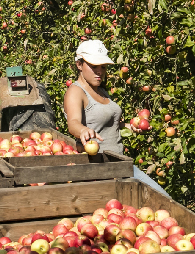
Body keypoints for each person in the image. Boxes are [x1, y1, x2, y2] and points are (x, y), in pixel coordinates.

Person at [62, 39, 168, 196]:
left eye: (103, 67)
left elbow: (106, 123)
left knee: (163, 199)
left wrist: (128, 126)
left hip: (120, 165)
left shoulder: (100, 91)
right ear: (79, 65)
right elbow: (73, 123)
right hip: (100, 169)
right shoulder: (76, 92)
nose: (99, 71)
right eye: (93, 66)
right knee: (160, 200)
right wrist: (83, 130)